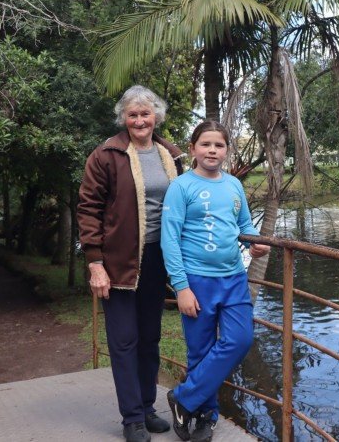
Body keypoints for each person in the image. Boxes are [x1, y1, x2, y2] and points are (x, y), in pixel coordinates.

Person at [78, 85, 184, 442]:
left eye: (145, 113)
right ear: (123, 118)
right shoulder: (107, 155)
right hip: (119, 263)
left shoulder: (171, 154)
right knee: (124, 340)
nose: (140, 120)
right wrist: (95, 264)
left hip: (158, 260)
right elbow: (89, 209)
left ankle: (147, 407)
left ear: (157, 116)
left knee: (150, 338)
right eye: (132, 114)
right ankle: (132, 419)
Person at [160, 120, 270, 442]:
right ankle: (205, 417)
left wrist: (255, 244)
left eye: (218, 145)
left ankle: (183, 397)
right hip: (196, 281)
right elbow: (170, 239)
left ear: (226, 150)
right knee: (200, 351)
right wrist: (181, 287)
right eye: (205, 144)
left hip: (234, 277)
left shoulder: (234, 185)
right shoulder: (181, 187)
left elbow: (244, 225)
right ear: (193, 148)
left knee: (239, 339)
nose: (212, 150)